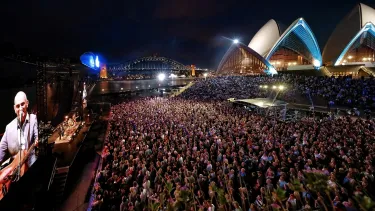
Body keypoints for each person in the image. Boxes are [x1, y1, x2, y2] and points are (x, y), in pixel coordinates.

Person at [0, 91, 39, 169]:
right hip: (15, 168)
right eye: (18, 106)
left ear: (27, 103)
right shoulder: (9, 127)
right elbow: (0, 151)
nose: (20, 108)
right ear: (14, 108)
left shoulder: (33, 119)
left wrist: (38, 141)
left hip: (31, 163)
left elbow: (38, 137)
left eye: (22, 104)